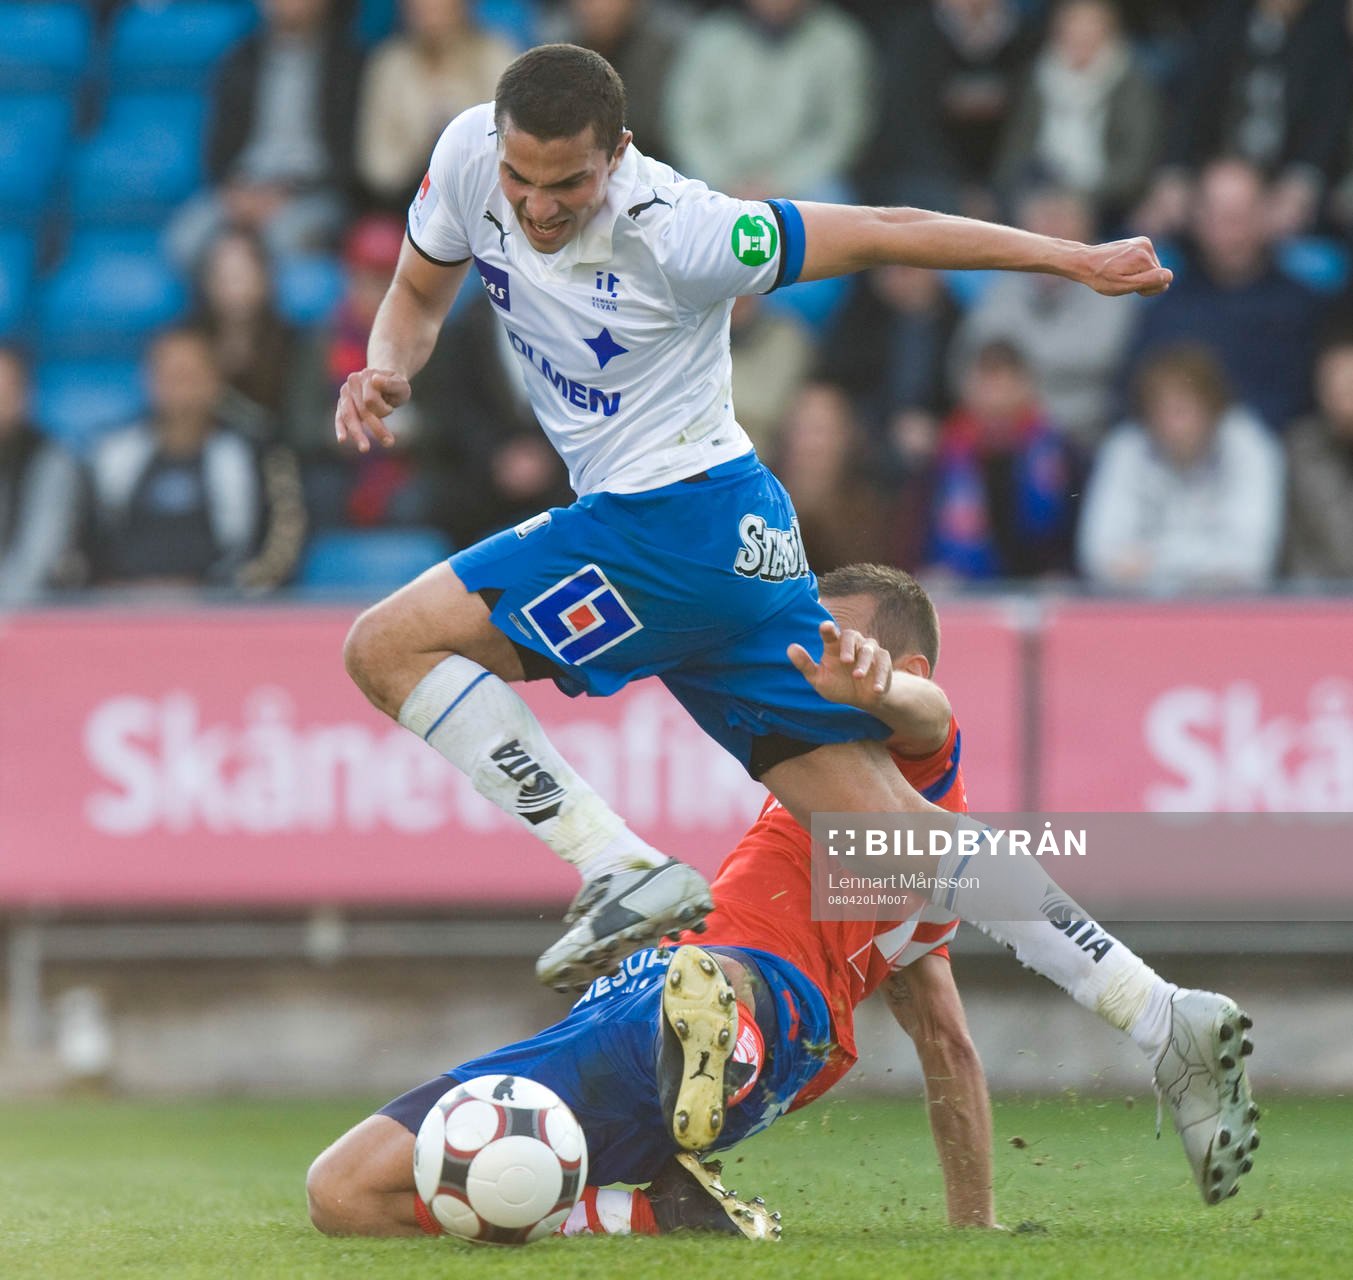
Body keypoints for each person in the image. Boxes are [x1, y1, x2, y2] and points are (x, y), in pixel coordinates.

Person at [332, 43, 1171, 997]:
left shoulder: (688, 230)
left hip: (663, 524)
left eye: (566, 183)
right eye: (521, 177)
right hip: (739, 543)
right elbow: (414, 293)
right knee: (885, 830)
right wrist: (386, 364)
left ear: (619, 154)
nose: (535, 206)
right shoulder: (469, 158)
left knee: (384, 648)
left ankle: (619, 865)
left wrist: (1070, 257)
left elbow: (888, 226)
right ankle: (1158, 1014)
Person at [308, 568, 1260, 1238]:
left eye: (821, 642)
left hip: (747, 1003)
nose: (795, 659)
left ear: (898, 668)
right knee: (343, 1195)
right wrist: (975, 1228)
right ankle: (644, 1210)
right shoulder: (879, 862)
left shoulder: (904, 787)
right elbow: (947, 1047)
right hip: (659, 1032)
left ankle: (709, 1024)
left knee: (700, 970)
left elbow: (932, 723)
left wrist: (890, 694)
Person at [1078, 343, 1285, 593]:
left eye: (1181, 411)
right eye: (1159, 412)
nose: (1170, 425)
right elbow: (1098, 557)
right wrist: (1206, 561)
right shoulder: (1125, 448)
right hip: (1140, 613)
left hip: (1230, 612)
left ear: (1212, 409)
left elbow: (1252, 562)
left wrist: (1152, 562)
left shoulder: (1251, 447)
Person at [0, 346, 85, 605]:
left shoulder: (51, 461)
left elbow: (35, 559)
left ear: (26, 395)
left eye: (6, 390)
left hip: (25, 617)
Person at [1284, 330, 1353, 580]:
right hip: (1314, 600)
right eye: (1335, 387)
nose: (1344, 400)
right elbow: (1341, 544)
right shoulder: (1304, 448)